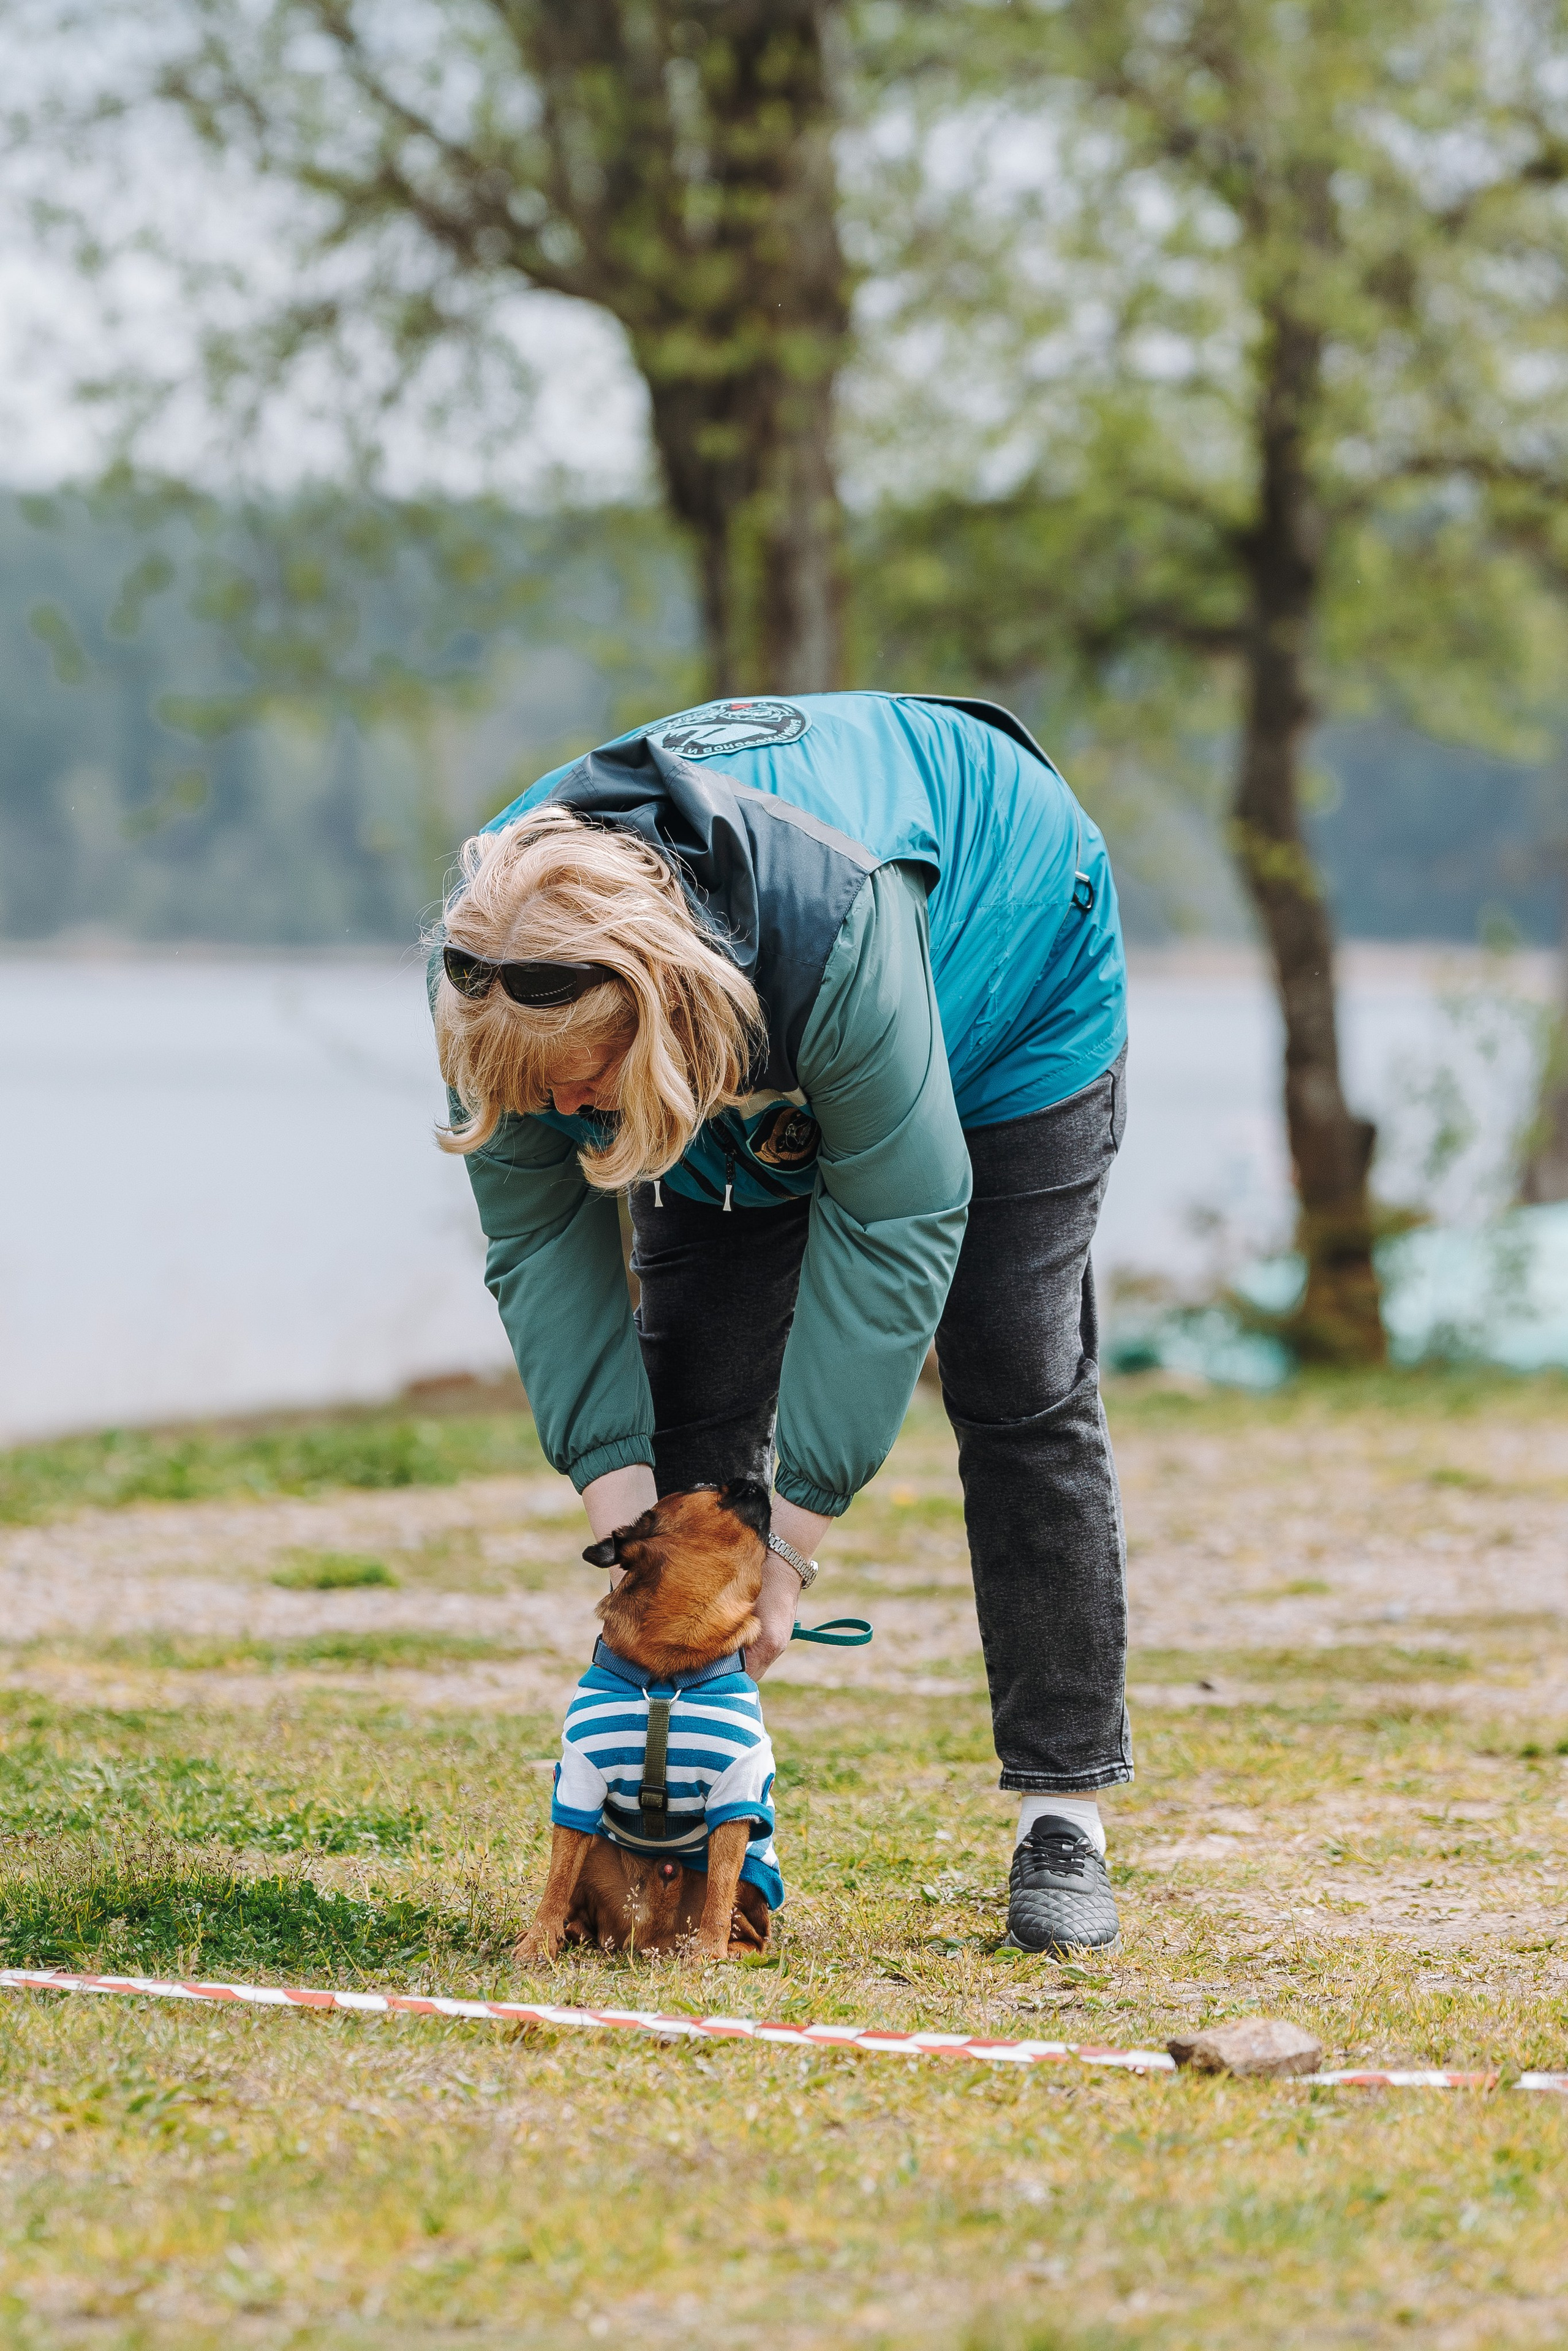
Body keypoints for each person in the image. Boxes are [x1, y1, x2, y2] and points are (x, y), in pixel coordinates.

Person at [430, 691, 1130, 1953]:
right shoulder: (499, 979)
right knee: (693, 1376)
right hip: (734, 1028)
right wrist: (629, 1521)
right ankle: (702, 1826)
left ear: (658, 1009)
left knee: (1013, 1368)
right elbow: (539, 1240)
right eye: (547, 1092)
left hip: (1010, 964)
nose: (567, 1107)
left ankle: (1058, 1811)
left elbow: (900, 1221)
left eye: (584, 1079)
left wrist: (786, 1550)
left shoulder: (831, 931)